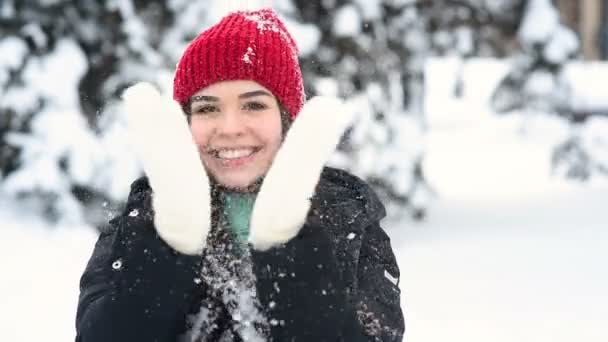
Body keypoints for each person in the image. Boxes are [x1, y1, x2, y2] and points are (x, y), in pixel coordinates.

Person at [75, 7, 404, 342]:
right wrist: (168, 245)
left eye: (254, 105)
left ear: (288, 119)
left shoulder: (347, 217)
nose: (230, 128)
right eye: (207, 108)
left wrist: (292, 247)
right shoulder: (140, 218)